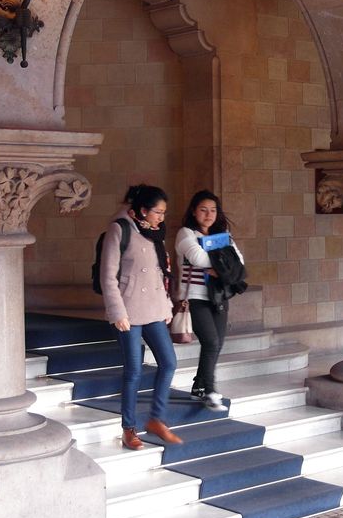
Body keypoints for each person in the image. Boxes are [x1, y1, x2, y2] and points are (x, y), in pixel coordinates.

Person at [100, 184, 182, 451]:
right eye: (158, 212)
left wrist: (166, 306)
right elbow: (108, 276)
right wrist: (117, 312)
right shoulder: (120, 229)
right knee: (134, 370)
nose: (161, 217)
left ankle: (157, 419)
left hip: (155, 309)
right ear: (143, 210)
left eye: (163, 212)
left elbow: (160, 272)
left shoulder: (154, 232)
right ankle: (129, 428)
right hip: (129, 311)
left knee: (169, 362)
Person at [175, 190, 242, 412]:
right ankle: (211, 391)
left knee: (217, 343)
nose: (208, 214)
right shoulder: (186, 234)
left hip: (219, 295)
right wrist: (224, 263)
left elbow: (239, 261)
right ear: (194, 212)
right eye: (203, 210)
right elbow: (198, 257)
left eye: (213, 210)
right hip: (195, 297)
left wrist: (219, 267)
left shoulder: (224, 235)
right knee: (211, 342)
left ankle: (198, 386)